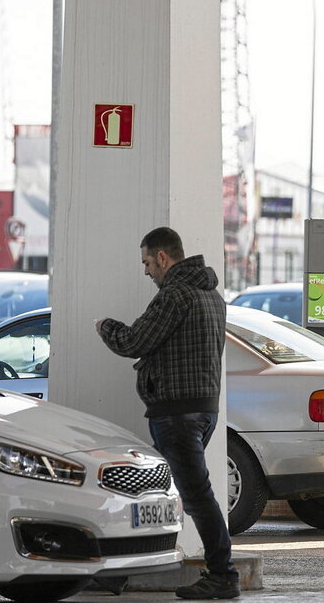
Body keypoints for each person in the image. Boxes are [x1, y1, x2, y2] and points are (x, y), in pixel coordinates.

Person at [95, 226, 240, 600]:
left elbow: (133, 341)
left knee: (195, 496)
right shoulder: (212, 296)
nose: (146, 272)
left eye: (147, 262)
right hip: (202, 409)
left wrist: (104, 326)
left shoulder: (175, 295)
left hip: (177, 414)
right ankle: (124, 568)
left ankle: (223, 575)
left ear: (163, 257)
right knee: (164, 493)